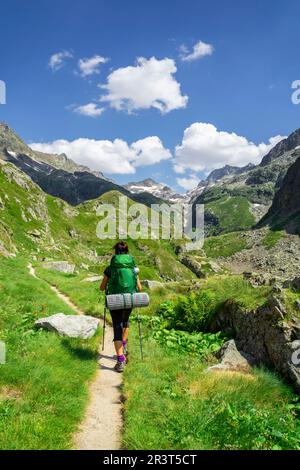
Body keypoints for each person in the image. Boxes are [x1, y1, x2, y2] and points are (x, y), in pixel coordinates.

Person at [100, 241, 142, 372]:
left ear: (115, 252)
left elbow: (102, 288)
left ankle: (120, 360)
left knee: (117, 325)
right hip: (129, 300)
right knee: (126, 321)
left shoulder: (110, 269)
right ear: (127, 252)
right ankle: (124, 345)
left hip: (115, 301)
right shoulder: (133, 268)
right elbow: (139, 288)